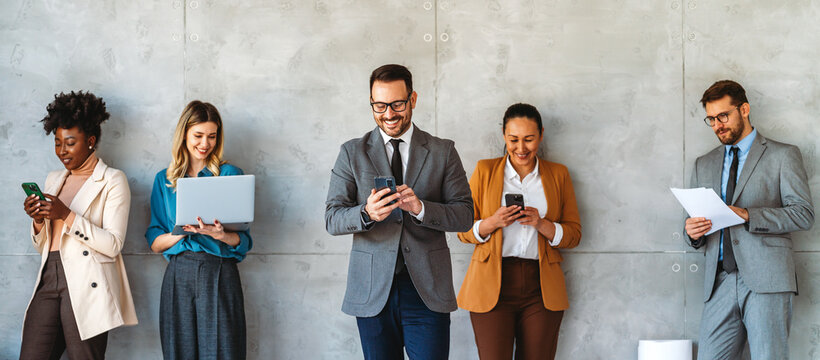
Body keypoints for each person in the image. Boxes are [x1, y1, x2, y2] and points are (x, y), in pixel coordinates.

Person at [325, 64, 474, 359]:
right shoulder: (351, 152)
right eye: (379, 106)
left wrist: (421, 209)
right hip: (372, 291)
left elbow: (465, 215)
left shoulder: (443, 151)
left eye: (397, 104)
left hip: (427, 290)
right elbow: (332, 218)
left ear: (413, 99)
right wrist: (366, 213)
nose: (389, 114)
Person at [684, 80, 814, 359]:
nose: (717, 125)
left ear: (744, 109)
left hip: (767, 279)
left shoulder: (783, 155)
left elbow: (803, 214)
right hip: (719, 281)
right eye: (711, 119)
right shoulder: (703, 163)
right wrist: (692, 232)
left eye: (723, 116)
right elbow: (693, 220)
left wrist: (747, 214)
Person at [456, 103, 582, 359]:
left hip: (541, 288)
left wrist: (541, 223)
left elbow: (573, 235)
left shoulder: (558, 174)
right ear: (504, 135)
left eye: (529, 139)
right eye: (513, 140)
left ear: (541, 135)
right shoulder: (485, 170)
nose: (521, 148)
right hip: (492, 284)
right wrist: (493, 222)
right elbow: (462, 229)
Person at [20, 91, 138, 359]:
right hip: (49, 276)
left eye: (70, 143)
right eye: (57, 143)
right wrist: (38, 221)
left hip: (88, 280)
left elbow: (113, 244)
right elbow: (44, 246)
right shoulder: (54, 179)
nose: (62, 150)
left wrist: (66, 214)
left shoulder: (113, 180)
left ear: (91, 141)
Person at [145, 100, 252, 359]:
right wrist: (181, 230)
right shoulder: (164, 180)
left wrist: (221, 234)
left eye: (212, 136)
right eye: (198, 135)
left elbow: (244, 241)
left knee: (224, 351)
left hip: (219, 270)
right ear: (184, 134)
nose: (205, 143)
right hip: (178, 272)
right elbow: (155, 242)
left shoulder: (230, 175)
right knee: (178, 351)